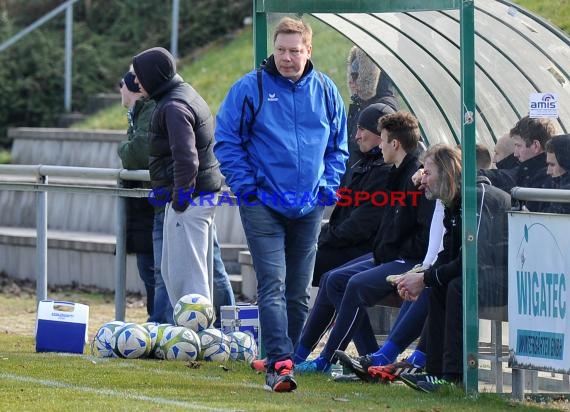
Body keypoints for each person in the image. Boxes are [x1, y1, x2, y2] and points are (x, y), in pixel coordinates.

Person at [214, 17, 348, 392]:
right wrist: (246, 187)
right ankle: (280, 363)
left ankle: (281, 353)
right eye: (281, 50)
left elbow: (339, 145)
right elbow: (226, 140)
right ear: (273, 49)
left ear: (309, 51)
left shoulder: (325, 91)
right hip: (262, 203)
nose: (287, 58)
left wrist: (327, 186)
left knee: (299, 290)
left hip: (310, 206)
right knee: (272, 283)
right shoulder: (250, 88)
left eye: (295, 50)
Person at [294, 111, 434, 375]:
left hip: (408, 259)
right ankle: (302, 353)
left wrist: (398, 254)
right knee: (332, 279)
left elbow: (422, 233)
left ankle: (328, 361)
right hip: (389, 254)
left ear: (395, 144)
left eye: (382, 140)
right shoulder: (396, 172)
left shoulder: (416, 177)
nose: (379, 145)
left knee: (353, 284)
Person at [395, 144, 511, 393]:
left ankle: (454, 376)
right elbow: (448, 254)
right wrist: (424, 278)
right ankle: (435, 372)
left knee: (458, 286)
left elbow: (473, 258)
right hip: (482, 271)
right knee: (441, 285)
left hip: (505, 276)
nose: (421, 180)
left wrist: (425, 279)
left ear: (447, 172)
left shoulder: (477, 198)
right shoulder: (455, 201)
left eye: (427, 173)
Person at [132, 47, 222, 308]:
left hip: (189, 201)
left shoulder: (173, 105)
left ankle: (194, 340)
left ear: (152, 76)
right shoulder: (181, 95)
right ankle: (196, 337)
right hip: (197, 197)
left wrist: (180, 200)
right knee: (186, 275)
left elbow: (186, 158)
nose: (136, 82)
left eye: (139, 76)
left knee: (187, 281)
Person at [312, 103, 394, 286]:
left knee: (310, 267)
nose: (356, 136)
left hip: (364, 249)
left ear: (381, 134)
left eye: (361, 129)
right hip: (353, 244)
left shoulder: (384, 172)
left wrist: (326, 238)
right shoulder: (368, 165)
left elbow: (361, 225)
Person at [117, 70, 156, 320]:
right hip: (144, 206)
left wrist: (123, 149)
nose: (119, 91)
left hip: (152, 204)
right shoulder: (138, 114)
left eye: (121, 85)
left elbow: (136, 154)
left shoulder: (148, 111)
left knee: (152, 271)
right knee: (149, 270)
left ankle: (158, 323)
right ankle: (156, 321)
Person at [343, 47, 399, 184]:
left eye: (355, 75)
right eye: (350, 74)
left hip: (370, 188)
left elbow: (385, 155)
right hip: (356, 187)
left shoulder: (384, 109)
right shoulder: (362, 105)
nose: (351, 80)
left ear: (370, 76)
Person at [480, 115, 556, 211]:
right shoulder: (531, 172)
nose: (515, 153)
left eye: (518, 145)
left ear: (535, 145)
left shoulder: (539, 177)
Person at [542, 134, 570, 214]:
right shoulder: (551, 186)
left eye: (552, 165)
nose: (548, 171)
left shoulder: (563, 199)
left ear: (566, 163)